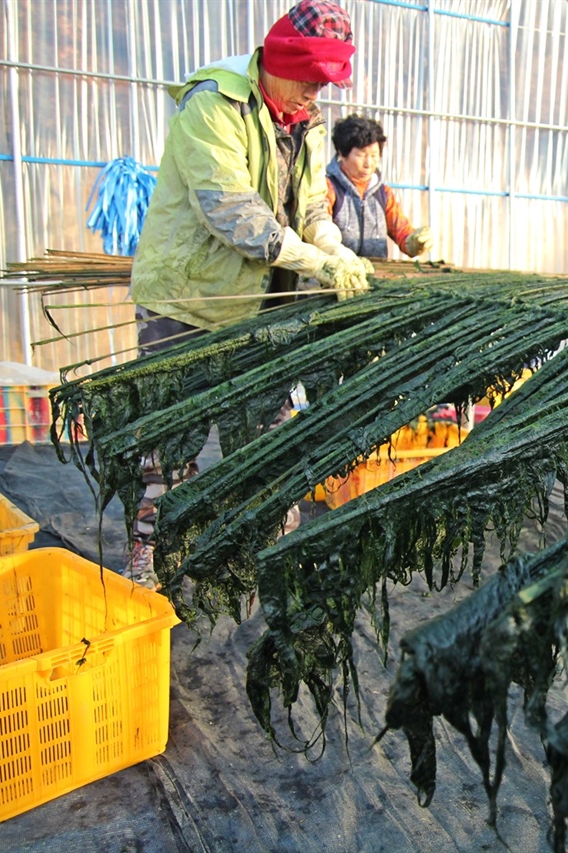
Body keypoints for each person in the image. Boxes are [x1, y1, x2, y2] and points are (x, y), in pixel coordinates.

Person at [125, 0, 364, 587]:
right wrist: (312, 260)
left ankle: (267, 550)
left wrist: (333, 247)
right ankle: (149, 560)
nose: (314, 95)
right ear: (278, 62)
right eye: (308, 82)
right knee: (168, 441)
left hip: (262, 305)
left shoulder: (305, 124)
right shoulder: (213, 104)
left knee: (269, 433)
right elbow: (231, 210)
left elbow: (310, 205)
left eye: (322, 87)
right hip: (189, 300)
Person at [325, 114, 434, 260]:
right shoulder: (328, 188)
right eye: (361, 155)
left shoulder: (383, 193)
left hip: (377, 274)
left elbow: (401, 230)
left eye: (374, 155)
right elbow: (320, 236)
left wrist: (415, 242)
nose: (368, 163)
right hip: (337, 274)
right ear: (342, 154)